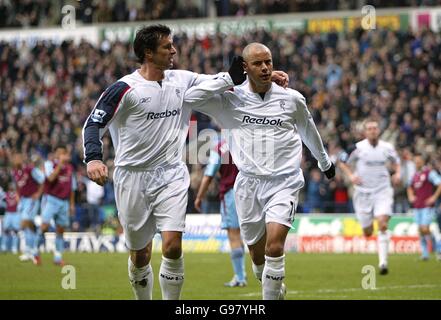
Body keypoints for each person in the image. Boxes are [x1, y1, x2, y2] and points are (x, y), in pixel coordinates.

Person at [82, 25, 288, 300]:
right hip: (132, 177)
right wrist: (94, 158)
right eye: (167, 46)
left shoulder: (182, 79)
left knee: (172, 246)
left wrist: (260, 79)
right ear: (148, 52)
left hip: (171, 174)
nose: (174, 50)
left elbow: (222, 82)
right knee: (140, 254)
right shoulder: (124, 89)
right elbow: (93, 124)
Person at [184, 43, 335, 300]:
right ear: (244, 68)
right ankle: (270, 283)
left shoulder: (292, 99)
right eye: (257, 64)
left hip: (284, 182)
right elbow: (190, 98)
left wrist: (324, 162)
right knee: (257, 256)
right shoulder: (231, 99)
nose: (265, 68)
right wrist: (227, 79)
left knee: (274, 246)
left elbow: (309, 130)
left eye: (269, 62)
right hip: (248, 184)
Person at [339, 119, 401, 275]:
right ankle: (371, 228)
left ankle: (383, 263)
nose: (373, 131)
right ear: (365, 132)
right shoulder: (357, 148)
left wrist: (398, 173)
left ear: (378, 130)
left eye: (375, 128)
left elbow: (397, 162)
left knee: (382, 223)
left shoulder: (387, 148)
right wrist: (351, 175)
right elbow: (342, 161)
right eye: (369, 129)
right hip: (363, 193)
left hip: (383, 190)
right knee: (367, 231)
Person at [194, 138, 246, 287]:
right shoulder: (246, 140)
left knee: (234, 235)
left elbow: (209, 173)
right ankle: (251, 273)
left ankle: (240, 277)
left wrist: (199, 197)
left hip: (231, 193)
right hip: (250, 192)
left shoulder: (221, 148)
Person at [34, 145, 76, 265]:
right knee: (44, 226)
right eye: (61, 153)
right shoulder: (49, 164)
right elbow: (51, 178)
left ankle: (57, 257)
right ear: (57, 155)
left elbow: (72, 188)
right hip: (51, 199)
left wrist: (72, 205)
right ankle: (35, 251)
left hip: (64, 202)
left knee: (60, 229)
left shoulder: (69, 168)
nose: (64, 156)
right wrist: (59, 165)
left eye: (65, 154)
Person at [11, 153, 45, 263]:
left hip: (31, 199)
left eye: (19, 157)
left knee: (24, 222)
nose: (17, 160)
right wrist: (17, 196)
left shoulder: (30, 169)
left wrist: (38, 194)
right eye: (15, 158)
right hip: (23, 200)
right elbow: (17, 186)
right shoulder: (14, 172)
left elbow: (42, 180)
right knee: (26, 227)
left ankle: (30, 250)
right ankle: (31, 251)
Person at [407, 153, 441, 260]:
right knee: (420, 230)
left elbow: (439, 184)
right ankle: (425, 254)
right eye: (416, 162)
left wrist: (434, 197)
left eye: (419, 161)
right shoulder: (414, 175)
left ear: (423, 162)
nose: (417, 163)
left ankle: (438, 248)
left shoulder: (429, 173)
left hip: (428, 206)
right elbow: (409, 186)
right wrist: (411, 195)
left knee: (425, 228)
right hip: (417, 206)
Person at [1, 182, 20, 254]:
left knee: (15, 231)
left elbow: (19, 202)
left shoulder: (17, 194)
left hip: (15, 213)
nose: (11, 188)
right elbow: (2, 202)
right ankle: (3, 247)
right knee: (5, 230)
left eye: (13, 186)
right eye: (10, 186)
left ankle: (14, 247)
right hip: (8, 213)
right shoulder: (5, 195)